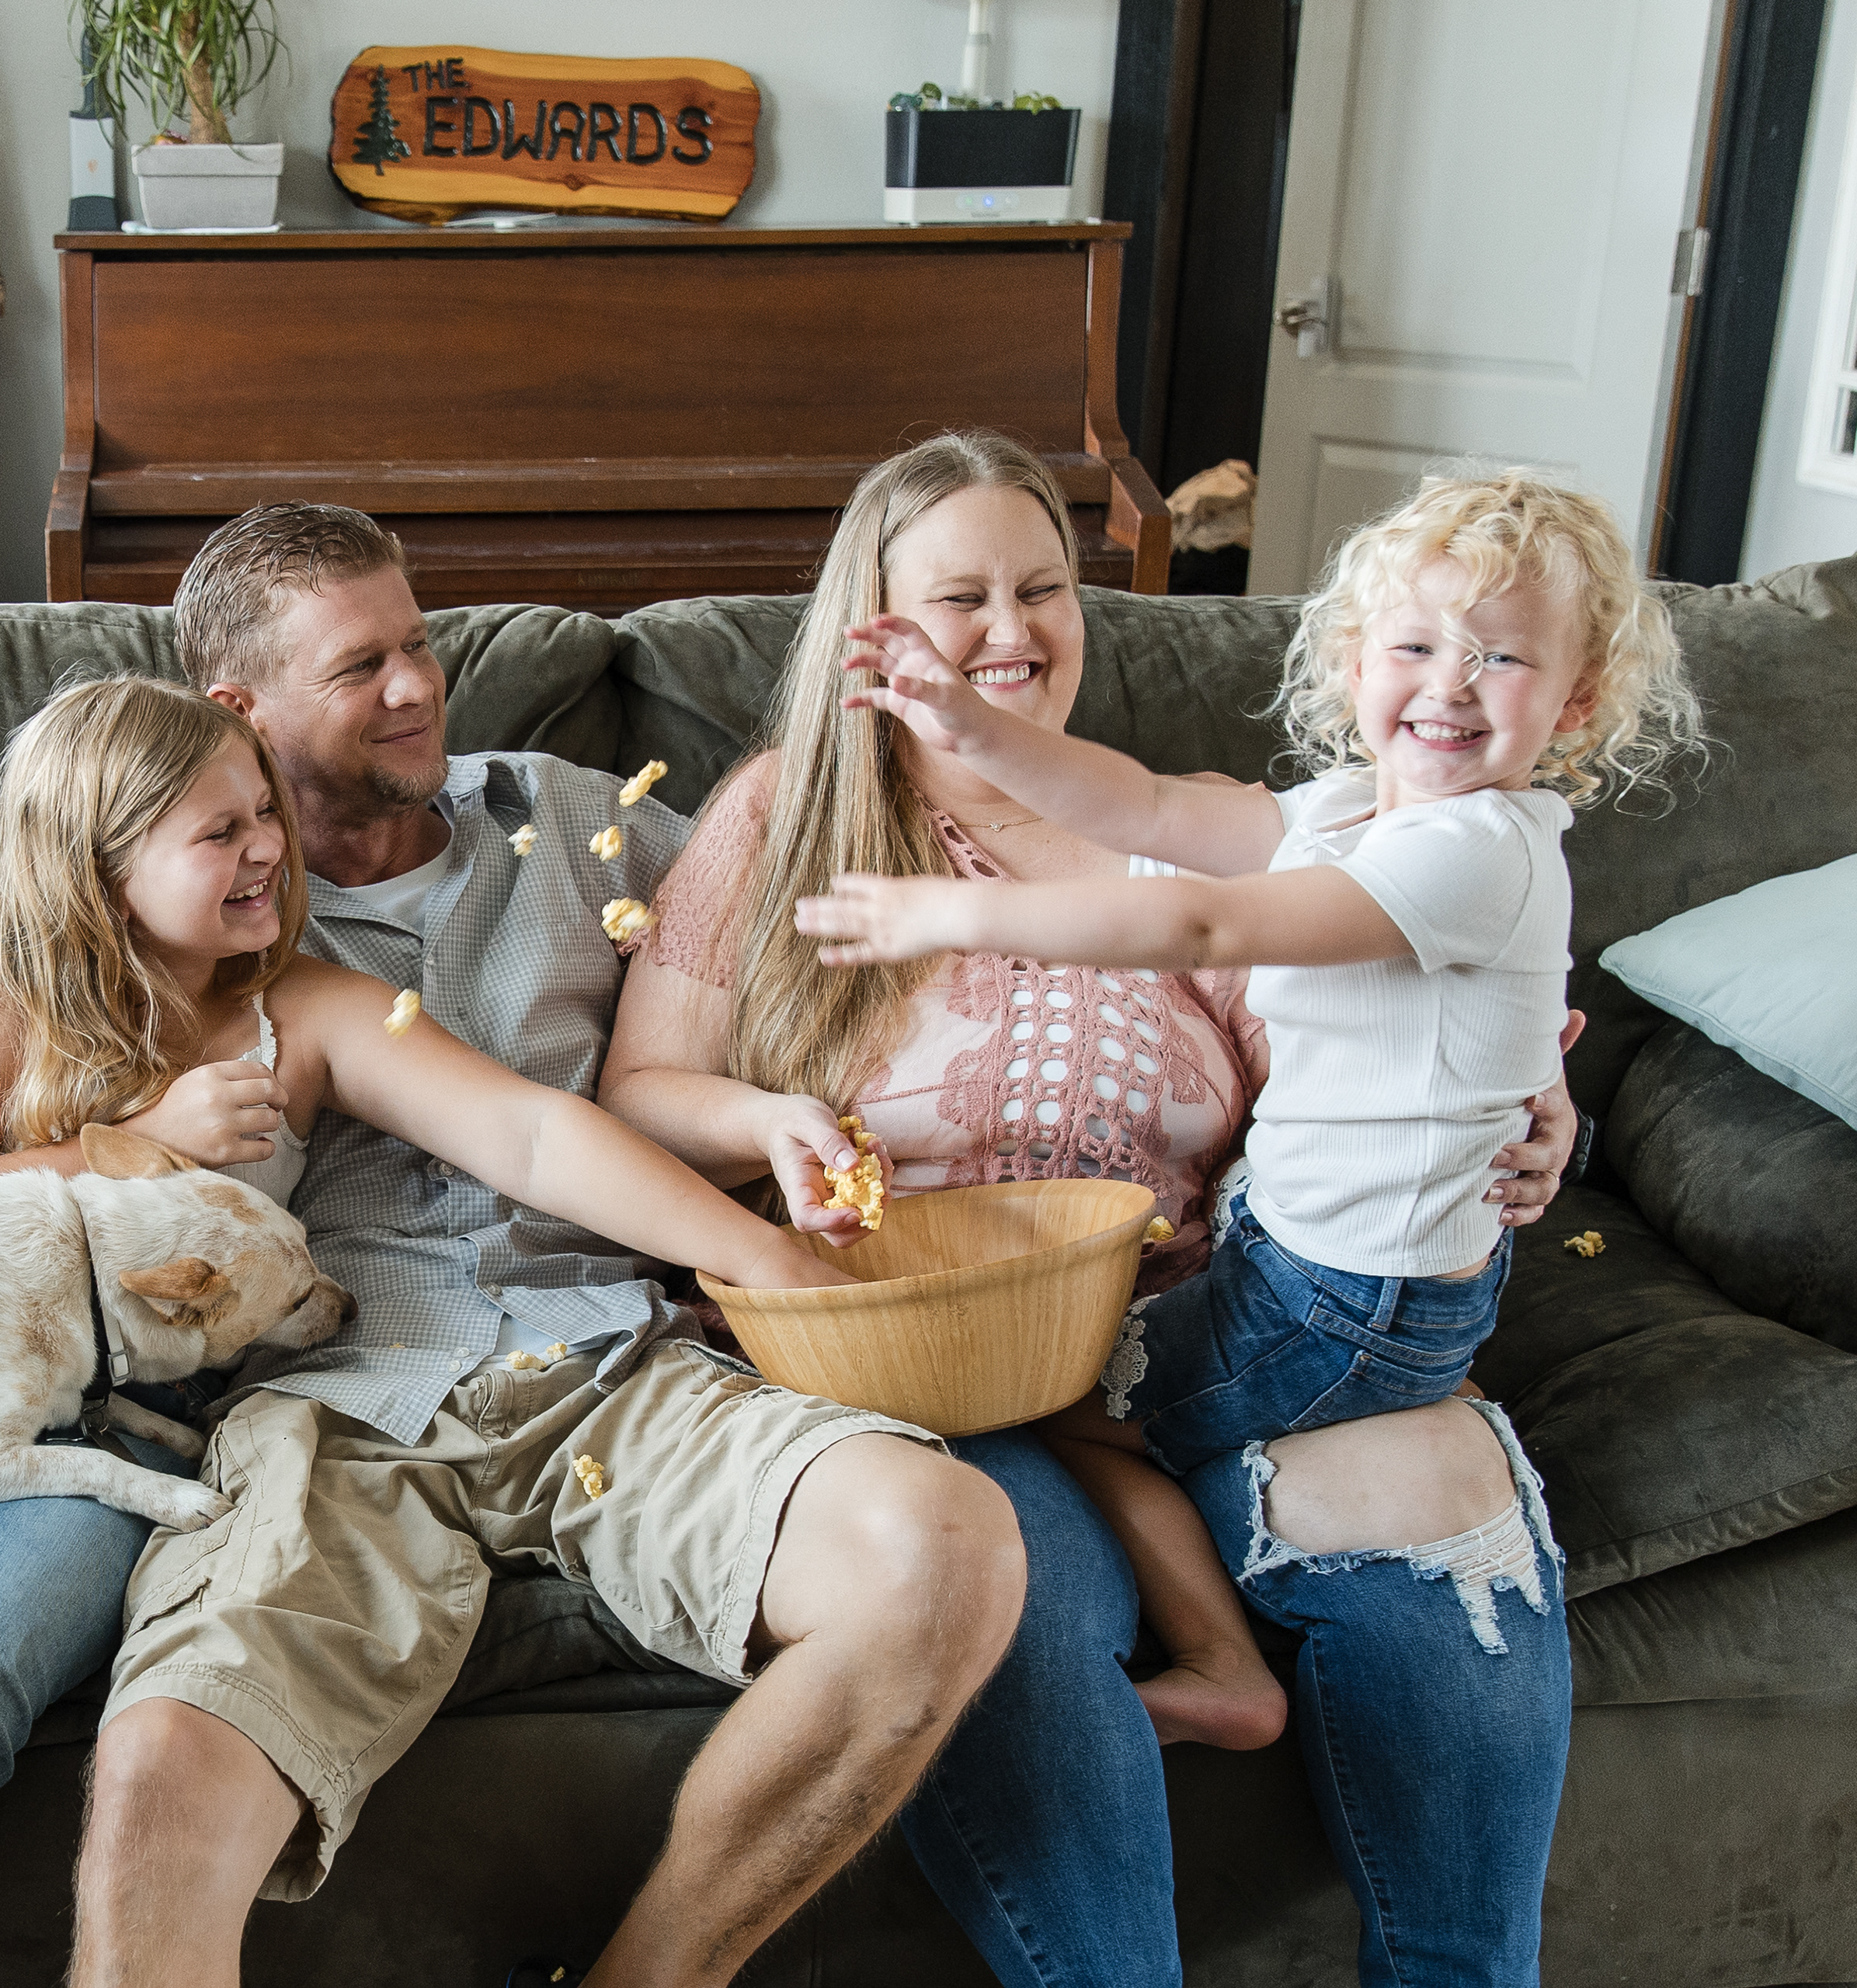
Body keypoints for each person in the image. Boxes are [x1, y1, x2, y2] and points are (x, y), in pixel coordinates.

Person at [0, 666, 867, 1986]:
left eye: (265, 814)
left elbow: (532, 1135)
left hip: (110, 1428)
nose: (268, 850)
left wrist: (753, 1249)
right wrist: (128, 1145)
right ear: (102, 871)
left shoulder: (299, 1005)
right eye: (218, 832)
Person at [599, 432, 1591, 1988]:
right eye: (963, 597)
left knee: (1443, 1523)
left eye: (1044, 588)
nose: (1012, 632)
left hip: (1206, 1322)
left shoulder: (1195, 832)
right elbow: (641, 1094)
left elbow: (1377, 1047)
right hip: (918, 1357)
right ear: (877, 622)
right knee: (1012, 1580)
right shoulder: (787, 811)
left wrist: (1538, 1116)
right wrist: (765, 1116)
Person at [68, 503, 1029, 1988]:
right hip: (337, 1403)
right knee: (154, 1771)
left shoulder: (583, 823)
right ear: (235, 714)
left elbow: (823, 955)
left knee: (945, 1550)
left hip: (610, 1359)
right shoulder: (174, 899)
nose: (414, 689)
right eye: (358, 667)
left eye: (419, 643)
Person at [808, 467, 1702, 1770]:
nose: (1448, 686)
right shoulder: (1350, 812)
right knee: (1080, 1388)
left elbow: (1206, 918)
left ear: (1574, 703)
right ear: (1352, 663)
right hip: (1300, 1262)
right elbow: (1148, 812)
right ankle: (1233, 1638)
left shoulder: (1478, 849)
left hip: (1356, 1302)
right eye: (1414, 646)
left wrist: (952, 913)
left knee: (1068, 1399)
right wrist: (967, 726)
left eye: (1499, 659)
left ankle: (1229, 1668)